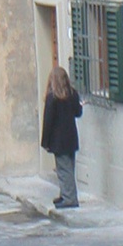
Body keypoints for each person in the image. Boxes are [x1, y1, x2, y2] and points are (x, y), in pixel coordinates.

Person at [41, 66, 83, 208]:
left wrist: (45, 141)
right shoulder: (73, 95)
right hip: (71, 138)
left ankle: (70, 198)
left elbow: (48, 121)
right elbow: (78, 113)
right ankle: (65, 194)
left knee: (63, 169)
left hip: (58, 140)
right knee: (68, 167)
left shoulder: (52, 98)